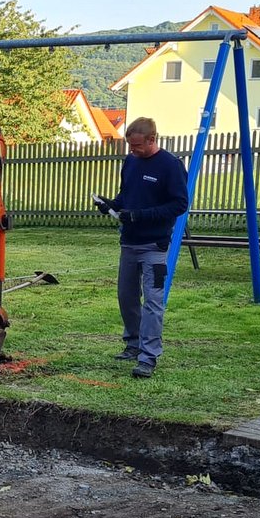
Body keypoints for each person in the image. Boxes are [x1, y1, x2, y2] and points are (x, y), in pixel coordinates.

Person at [95, 117, 188, 379]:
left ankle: (148, 357)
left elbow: (179, 204)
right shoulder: (131, 161)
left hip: (154, 245)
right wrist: (111, 204)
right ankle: (133, 344)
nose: (133, 150)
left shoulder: (170, 166)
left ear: (152, 139)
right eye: (130, 145)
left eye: (137, 146)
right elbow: (127, 196)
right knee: (126, 297)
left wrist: (140, 215)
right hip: (129, 243)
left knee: (153, 302)